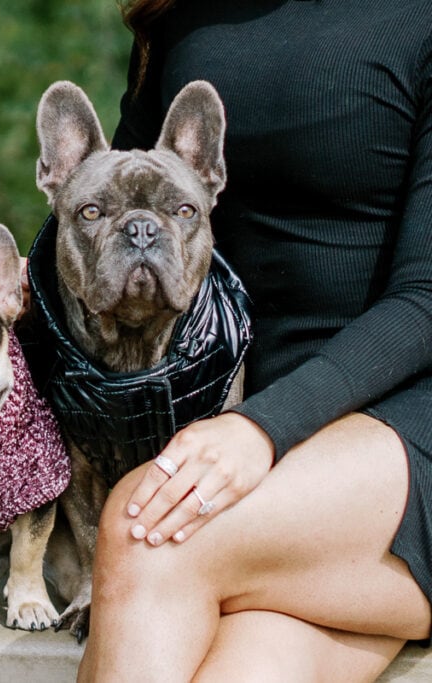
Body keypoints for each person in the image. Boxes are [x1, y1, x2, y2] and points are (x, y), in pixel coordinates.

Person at [82, 1, 432, 680]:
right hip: (267, 461)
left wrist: (261, 429)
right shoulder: (182, 15)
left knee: (147, 527)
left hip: (403, 425)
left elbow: (428, 299)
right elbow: (112, 211)